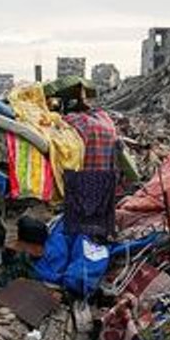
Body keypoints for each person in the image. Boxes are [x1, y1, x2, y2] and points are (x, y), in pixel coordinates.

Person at [52, 75, 120, 239]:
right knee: (99, 228)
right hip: (107, 180)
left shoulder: (74, 121)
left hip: (85, 178)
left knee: (80, 232)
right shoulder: (105, 119)